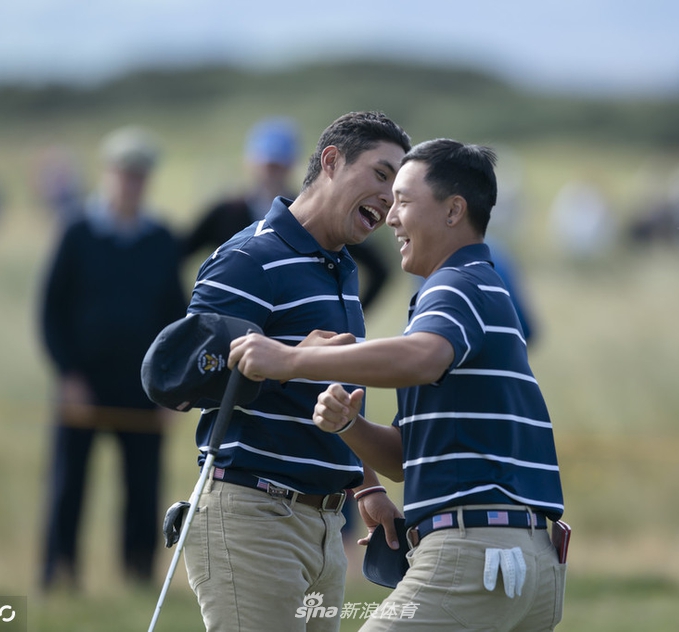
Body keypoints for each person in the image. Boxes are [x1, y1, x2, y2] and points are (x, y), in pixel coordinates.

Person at [230, 139, 567, 631]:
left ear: (454, 211)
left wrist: (293, 359)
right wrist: (349, 425)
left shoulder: (457, 284)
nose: (390, 216)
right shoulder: (472, 287)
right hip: (527, 563)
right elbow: (405, 460)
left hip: (476, 553)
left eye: (405, 200)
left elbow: (423, 359)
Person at [180, 110, 411, 632]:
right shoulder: (250, 257)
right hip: (252, 518)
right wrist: (286, 360)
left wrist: (366, 486)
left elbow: (332, 400)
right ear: (331, 162)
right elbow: (184, 378)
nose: (389, 196)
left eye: (398, 186)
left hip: (328, 525)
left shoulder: (341, 267)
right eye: (380, 174)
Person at [38, 125, 187, 591]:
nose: (131, 182)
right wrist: (68, 375)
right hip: (82, 384)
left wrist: (171, 391)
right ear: (109, 174)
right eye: (124, 173)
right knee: (68, 486)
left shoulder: (162, 239)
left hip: (143, 387)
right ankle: (59, 577)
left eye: (140, 174)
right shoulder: (77, 231)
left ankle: (138, 576)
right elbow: (50, 311)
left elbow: (178, 320)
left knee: (142, 489)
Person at [181, 116, 392, 312]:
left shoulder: (311, 217)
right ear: (251, 162)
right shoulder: (225, 212)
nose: (271, 173)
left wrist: (348, 315)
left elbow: (379, 268)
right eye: (267, 165)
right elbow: (175, 256)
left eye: (279, 166)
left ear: (292, 165)